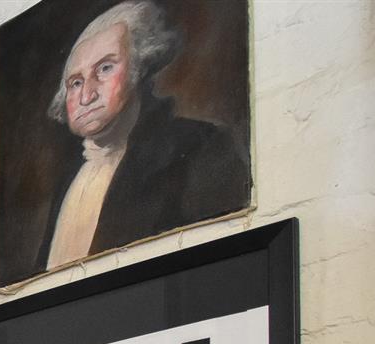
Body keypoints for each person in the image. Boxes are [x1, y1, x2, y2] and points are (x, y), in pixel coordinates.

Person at [34, 0, 250, 275]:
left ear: (140, 67)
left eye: (105, 68)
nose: (86, 96)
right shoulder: (69, 178)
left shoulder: (202, 145)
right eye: (75, 83)